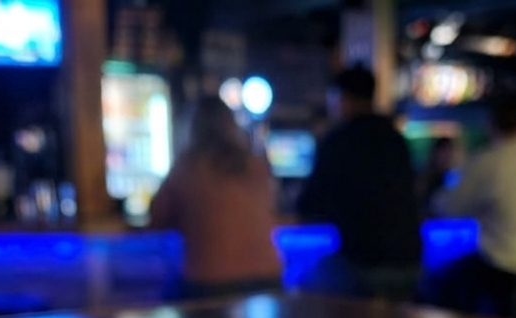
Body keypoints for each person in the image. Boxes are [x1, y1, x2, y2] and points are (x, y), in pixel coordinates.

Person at [430, 93, 516, 318]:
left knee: (440, 279)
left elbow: (450, 208)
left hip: (508, 266)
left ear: (491, 124)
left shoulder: (490, 159)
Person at [296, 65, 421, 300]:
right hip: (411, 262)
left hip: (364, 264)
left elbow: (309, 205)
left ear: (345, 99)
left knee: (302, 284)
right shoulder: (396, 139)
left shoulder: (338, 141)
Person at [149, 96, 282, 299]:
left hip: (210, 286)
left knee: (164, 294)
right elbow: (272, 209)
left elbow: (157, 220)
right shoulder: (256, 165)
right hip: (270, 282)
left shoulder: (188, 166)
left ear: (191, 127)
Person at [417, 136, 457, 215]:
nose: (446, 156)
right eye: (443, 152)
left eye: (449, 152)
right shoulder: (425, 178)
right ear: (435, 153)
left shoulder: (452, 178)